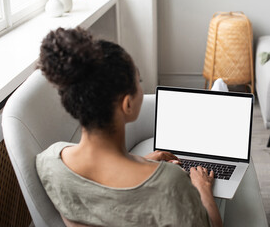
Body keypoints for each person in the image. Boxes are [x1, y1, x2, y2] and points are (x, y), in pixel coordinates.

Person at [36, 27, 222, 227]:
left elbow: (104, 195)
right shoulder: (170, 184)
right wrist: (202, 188)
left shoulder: (49, 162)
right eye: (139, 82)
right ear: (128, 104)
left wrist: (142, 162)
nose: (142, 89)